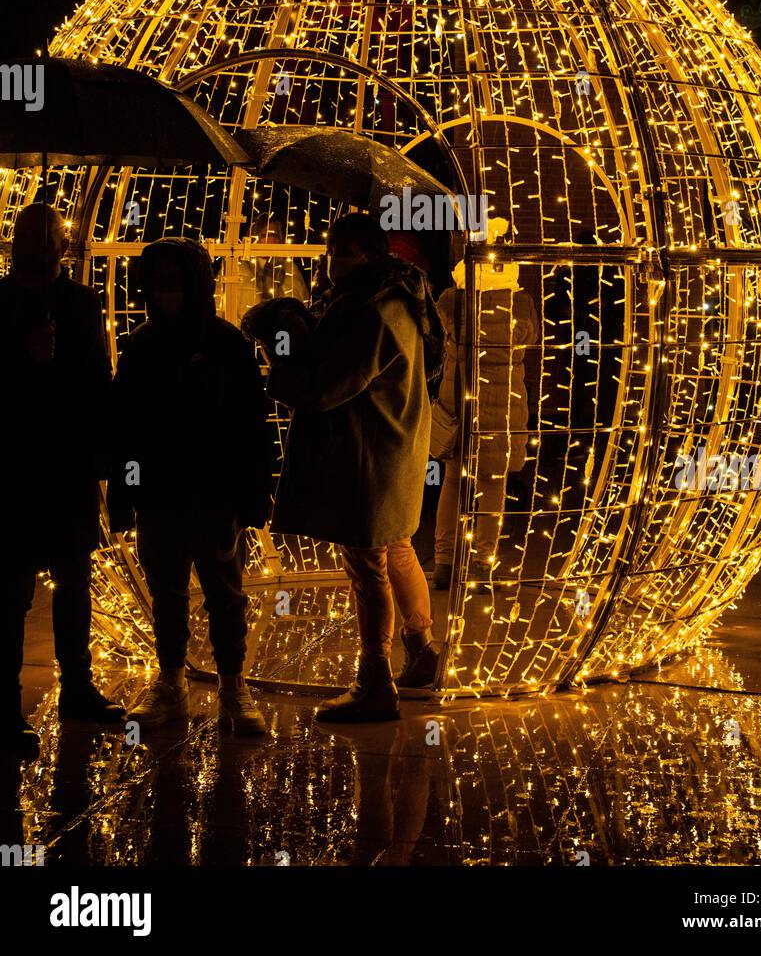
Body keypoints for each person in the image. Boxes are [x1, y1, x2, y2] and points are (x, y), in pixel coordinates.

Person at [261, 211, 444, 722]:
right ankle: (422, 651)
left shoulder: (367, 311)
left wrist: (281, 354)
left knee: (368, 567)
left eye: (343, 252)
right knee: (397, 548)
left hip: (369, 458)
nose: (331, 262)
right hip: (396, 449)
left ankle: (375, 681)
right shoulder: (399, 299)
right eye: (329, 250)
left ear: (370, 254)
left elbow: (325, 389)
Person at [107, 238, 275, 735]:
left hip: (215, 495)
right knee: (169, 592)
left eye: (173, 280)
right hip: (160, 494)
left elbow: (252, 423)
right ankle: (172, 681)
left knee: (225, 594)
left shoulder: (226, 346)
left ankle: (232, 686)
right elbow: (125, 426)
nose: (164, 291)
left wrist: (250, 497)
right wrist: (126, 492)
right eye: (156, 282)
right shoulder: (142, 347)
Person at [0, 204, 123, 756]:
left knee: (74, 583)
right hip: (15, 466)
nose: (46, 246)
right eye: (36, 236)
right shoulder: (1, 301)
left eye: (50, 237)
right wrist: (25, 360)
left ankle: (78, 688)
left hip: (67, 464)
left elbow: (97, 377)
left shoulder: (79, 302)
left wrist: (103, 457)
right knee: (11, 590)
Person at [431, 219, 539, 591]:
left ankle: (444, 562)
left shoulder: (451, 300)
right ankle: (481, 563)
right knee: (492, 486)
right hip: (503, 406)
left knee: (452, 484)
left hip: (457, 405)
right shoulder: (521, 304)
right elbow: (530, 340)